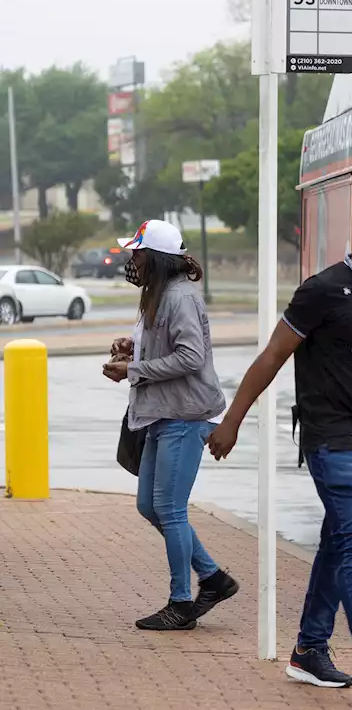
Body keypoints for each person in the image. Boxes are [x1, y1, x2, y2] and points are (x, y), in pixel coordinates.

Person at [206, 198, 352, 699]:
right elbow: (272, 357)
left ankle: (309, 651)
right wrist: (232, 421)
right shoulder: (322, 290)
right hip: (334, 440)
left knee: (336, 544)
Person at [102, 219, 239, 631]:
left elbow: (190, 357)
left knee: (171, 510)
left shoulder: (180, 297)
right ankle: (213, 578)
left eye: (138, 253)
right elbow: (165, 345)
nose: (132, 260)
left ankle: (182, 603)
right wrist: (133, 347)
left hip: (184, 417)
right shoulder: (158, 295)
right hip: (162, 414)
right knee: (150, 505)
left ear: (157, 257)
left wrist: (134, 369)